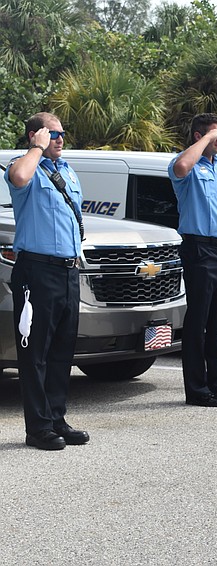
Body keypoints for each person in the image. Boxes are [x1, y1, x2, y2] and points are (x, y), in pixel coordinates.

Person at [3, 112, 89, 450]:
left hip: (67, 270)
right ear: (33, 136)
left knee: (61, 350)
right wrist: (36, 149)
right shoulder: (24, 166)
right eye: (51, 134)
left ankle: (56, 418)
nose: (59, 139)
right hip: (37, 271)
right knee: (35, 351)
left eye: (61, 134)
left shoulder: (66, 170)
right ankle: (37, 428)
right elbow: (21, 177)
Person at [168, 113, 217, 408]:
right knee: (198, 321)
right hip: (200, 250)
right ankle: (197, 388)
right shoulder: (187, 165)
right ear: (200, 137)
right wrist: (206, 140)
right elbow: (182, 166)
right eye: (216, 135)